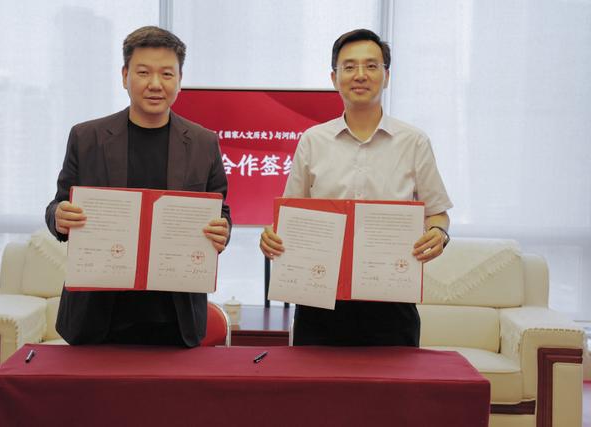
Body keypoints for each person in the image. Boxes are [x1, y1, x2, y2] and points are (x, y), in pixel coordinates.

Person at [260, 29, 452, 347]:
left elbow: (438, 214)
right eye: (349, 67)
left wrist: (439, 234)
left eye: (371, 66)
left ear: (386, 76)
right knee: (315, 380)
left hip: (391, 301)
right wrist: (272, 235)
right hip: (319, 300)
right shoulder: (313, 140)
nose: (360, 75)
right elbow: (290, 217)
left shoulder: (414, 142)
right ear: (334, 78)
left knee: (392, 381)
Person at [46, 26, 231, 347]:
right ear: (124, 76)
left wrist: (223, 230)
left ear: (180, 79)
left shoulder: (204, 143)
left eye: (167, 74)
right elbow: (58, 205)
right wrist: (59, 217)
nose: (155, 84)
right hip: (99, 313)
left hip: (174, 315)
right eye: (143, 72)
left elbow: (221, 212)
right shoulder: (86, 138)